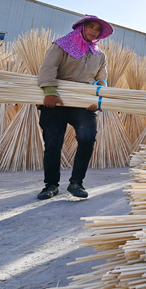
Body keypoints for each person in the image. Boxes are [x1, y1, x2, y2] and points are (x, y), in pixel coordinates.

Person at [36, 15, 114, 200]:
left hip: (83, 103)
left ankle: (76, 182)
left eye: (97, 29)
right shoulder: (62, 45)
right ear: (82, 26)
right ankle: (51, 185)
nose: (93, 31)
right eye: (91, 26)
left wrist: (99, 98)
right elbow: (48, 67)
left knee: (87, 139)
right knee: (53, 143)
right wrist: (49, 92)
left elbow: (101, 79)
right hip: (57, 101)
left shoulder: (100, 55)